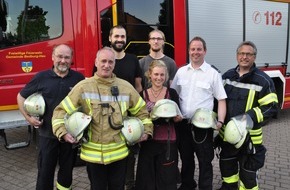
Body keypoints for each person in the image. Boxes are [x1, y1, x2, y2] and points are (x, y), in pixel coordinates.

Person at [52, 47, 154, 190]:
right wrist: (62, 132)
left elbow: (142, 112)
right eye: (103, 61)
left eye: (110, 62)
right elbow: (60, 112)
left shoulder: (125, 87)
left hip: (119, 155)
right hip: (93, 157)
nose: (107, 65)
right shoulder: (83, 87)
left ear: (114, 64)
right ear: (96, 62)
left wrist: (147, 131)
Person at [17, 44, 85, 190]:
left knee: (67, 172)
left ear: (71, 59)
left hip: (70, 135)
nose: (63, 60)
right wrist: (28, 118)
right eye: (59, 56)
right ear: (53, 57)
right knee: (45, 172)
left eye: (67, 57)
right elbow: (21, 97)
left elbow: (86, 104)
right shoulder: (41, 77)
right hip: (47, 135)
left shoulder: (79, 79)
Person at [217, 41, 278, 190]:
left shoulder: (263, 80)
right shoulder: (227, 76)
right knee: (227, 171)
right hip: (228, 138)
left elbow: (271, 107)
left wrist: (249, 116)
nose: (244, 57)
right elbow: (218, 101)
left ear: (254, 57)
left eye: (248, 54)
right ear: (237, 56)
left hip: (250, 139)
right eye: (241, 53)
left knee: (248, 177)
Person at [171, 36, 227, 190]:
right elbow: (172, 94)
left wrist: (220, 121)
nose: (196, 52)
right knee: (186, 159)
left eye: (199, 49)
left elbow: (221, 99)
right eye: (193, 49)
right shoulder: (181, 72)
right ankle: (188, 185)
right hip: (183, 124)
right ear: (189, 51)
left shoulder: (213, 74)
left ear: (205, 51)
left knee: (205, 161)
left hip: (203, 126)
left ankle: (205, 187)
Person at [135, 60, 183, 190]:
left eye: (162, 75)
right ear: (150, 74)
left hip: (167, 143)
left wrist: (177, 118)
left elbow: (179, 115)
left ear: (166, 76)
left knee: (165, 179)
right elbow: (137, 117)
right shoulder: (142, 95)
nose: (159, 78)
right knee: (147, 179)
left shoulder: (171, 93)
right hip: (148, 142)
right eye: (156, 74)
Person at [107, 25, 143, 190]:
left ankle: (130, 184)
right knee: (110, 151)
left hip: (128, 115)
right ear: (110, 38)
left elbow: (138, 87)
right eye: (116, 36)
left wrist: (138, 113)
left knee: (129, 155)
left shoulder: (132, 59)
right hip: (106, 115)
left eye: (122, 36)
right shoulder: (105, 60)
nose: (120, 40)